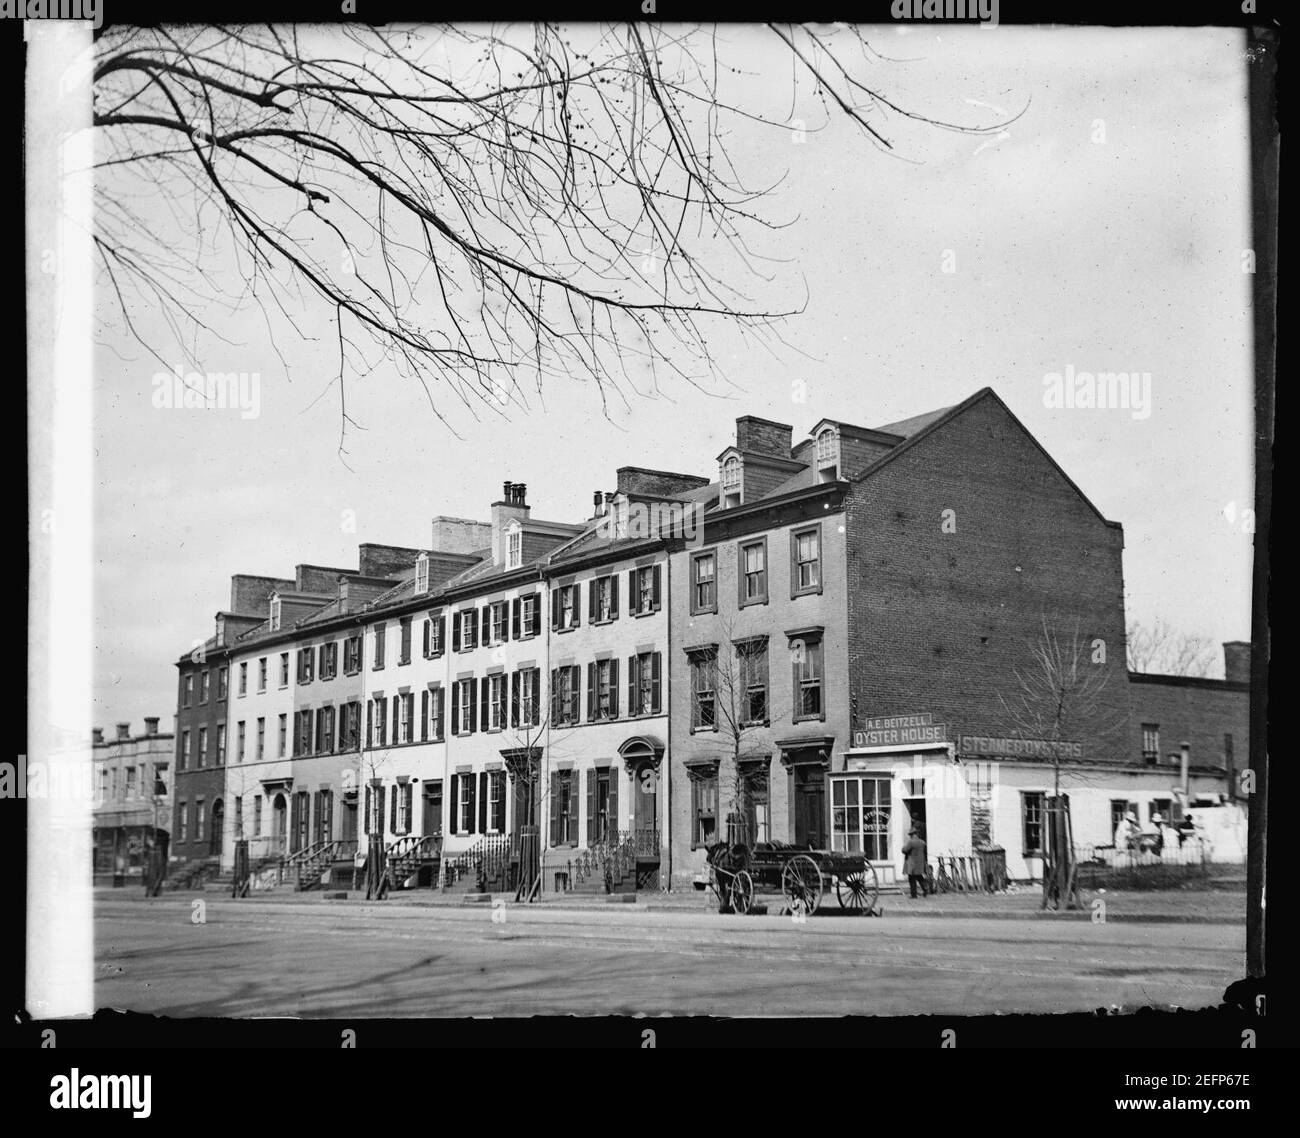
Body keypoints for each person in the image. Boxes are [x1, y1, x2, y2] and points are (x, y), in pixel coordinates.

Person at [902, 827, 929, 898]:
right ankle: (925, 889)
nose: (910, 836)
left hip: (912, 864)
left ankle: (914, 895)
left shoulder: (911, 842)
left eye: (911, 834)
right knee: (920, 877)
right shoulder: (922, 842)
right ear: (917, 834)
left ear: (912, 834)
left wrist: (903, 847)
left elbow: (905, 850)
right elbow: (925, 852)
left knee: (912, 879)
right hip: (920, 864)